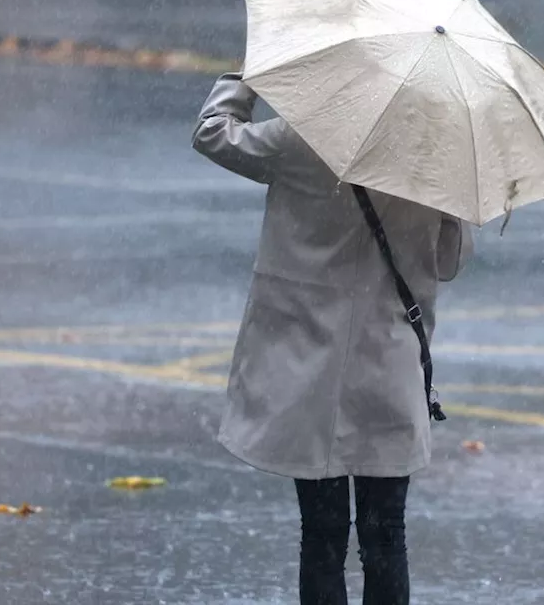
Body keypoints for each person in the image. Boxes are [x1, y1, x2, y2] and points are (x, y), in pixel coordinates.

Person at [192, 73, 473, 605]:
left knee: (321, 535)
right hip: (387, 368)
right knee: (386, 533)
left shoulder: (301, 137)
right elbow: (449, 263)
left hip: (307, 370)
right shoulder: (431, 157)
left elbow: (213, 133)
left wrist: (246, 75)